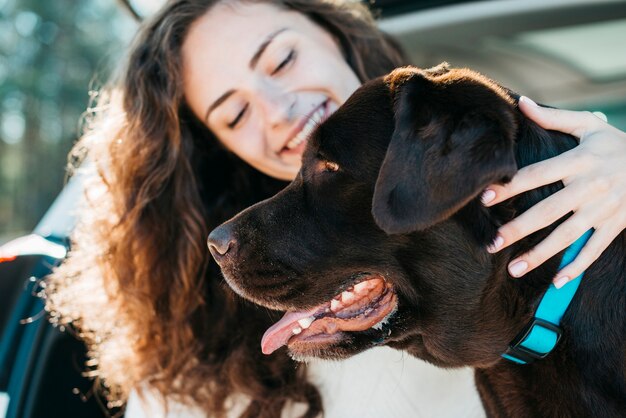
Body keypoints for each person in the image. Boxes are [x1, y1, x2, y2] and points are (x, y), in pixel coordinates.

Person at [45, 0, 626, 417]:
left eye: (281, 61)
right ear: (215, 145)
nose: (276, 108)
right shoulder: (189, 342)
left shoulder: (540, 172)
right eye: (235, 114)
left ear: (333, 29)